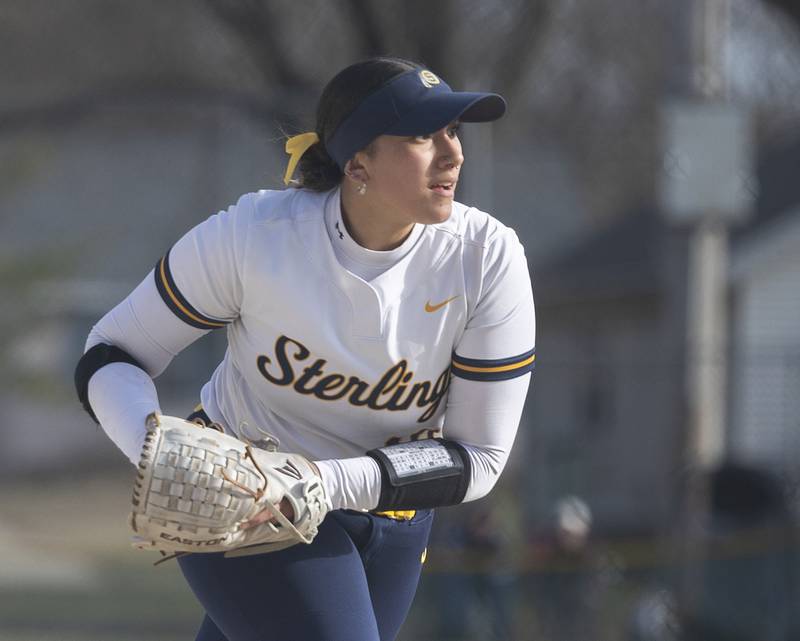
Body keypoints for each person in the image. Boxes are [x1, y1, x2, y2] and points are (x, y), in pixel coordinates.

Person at [74, 56, 536, 641]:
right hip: (248, 502)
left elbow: (479, 458)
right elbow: (111, 350)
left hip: (392, 519)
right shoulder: (255, 236)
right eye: (423, 135)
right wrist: (157, 449)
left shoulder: (485, 257)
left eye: (453, 131)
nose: (453, 153)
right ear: (358, 162)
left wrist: (321, 482)